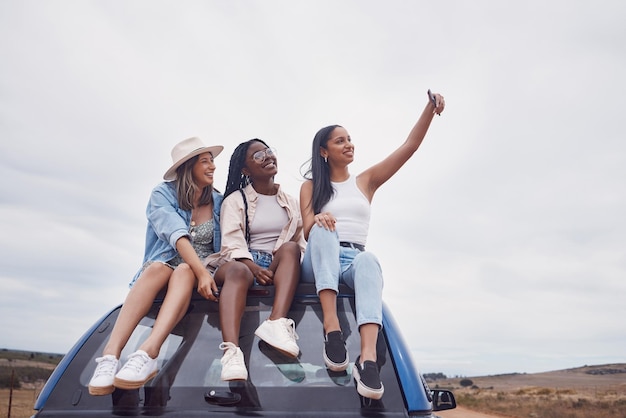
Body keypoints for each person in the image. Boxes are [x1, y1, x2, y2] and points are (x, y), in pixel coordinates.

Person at [299, 91, 445, 400]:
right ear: (324, 151)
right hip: (319, 260)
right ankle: (332, 329)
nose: (349, 143)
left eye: (349, 138)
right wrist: (320, 218)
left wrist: (429, 111)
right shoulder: (310, 186)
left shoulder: (366, 181)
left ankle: (366, 362)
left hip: (353, 259)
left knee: (370, 261)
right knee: (324, 229)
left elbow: (409, 146)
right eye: (340, 141)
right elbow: (307, 227)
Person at [88, 137, 224, 395]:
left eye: (212, 161)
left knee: (185, 270)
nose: (212, 167)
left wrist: (203, 272)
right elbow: (175, 234)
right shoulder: (162, 194)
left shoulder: (219, 202)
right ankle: (109, 358)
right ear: (188, 167)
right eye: (205, 161)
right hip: (165, 269)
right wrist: (201, 272)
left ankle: (149, 351)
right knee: (158, 268)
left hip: (198, 272)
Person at [205, 138, 305, 381]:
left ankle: (276, 322)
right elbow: (231, 243)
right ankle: (231, 352)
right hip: (239, 265)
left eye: (269, 152)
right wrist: (251, 266)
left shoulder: (291, 202)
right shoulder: (236, 200)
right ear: (246, 170)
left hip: (275, 264)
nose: (268, 157)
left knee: (292, 249)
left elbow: (300, 241)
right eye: (259, 156)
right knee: (239, 271)